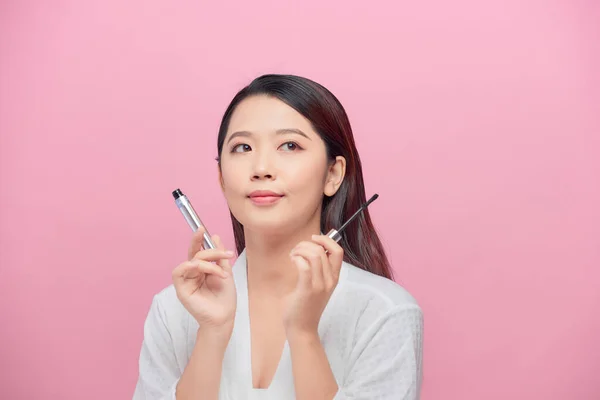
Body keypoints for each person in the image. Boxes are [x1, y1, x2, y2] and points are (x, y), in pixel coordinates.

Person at [133, 74, 423, 400]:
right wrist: (211, 335)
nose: (260, 167)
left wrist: (303, 334)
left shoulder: (384, 313)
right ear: (221, 177)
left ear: (333, 174)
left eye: (289, 145)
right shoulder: (174, 309)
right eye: (242, 147)